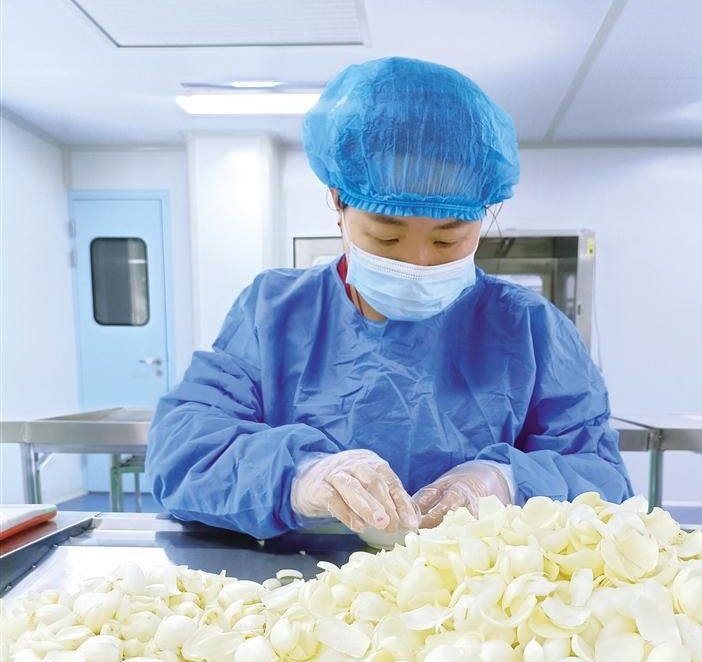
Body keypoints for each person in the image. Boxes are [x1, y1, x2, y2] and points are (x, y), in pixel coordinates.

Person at [147, 57, 632, 539]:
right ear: (338, 202)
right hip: (300, 578)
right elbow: (184, 450)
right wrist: (301, 477)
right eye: (386, 236)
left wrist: (503, 482)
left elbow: (601, 477)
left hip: (481, 584)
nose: (417, 262)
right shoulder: (274, 313)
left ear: (484, 215)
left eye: (447, 239)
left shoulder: (529, 330)